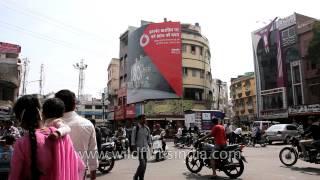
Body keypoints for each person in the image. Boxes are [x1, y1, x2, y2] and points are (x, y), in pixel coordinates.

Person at [9, 95, 84, 180]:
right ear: (40, 113)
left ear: (20, 120)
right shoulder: (63, 136)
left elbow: (15, 175)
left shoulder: (21, 143)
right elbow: (79, 167)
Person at [55, 90, 98, 180]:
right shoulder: (87, 124)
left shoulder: (48, 126)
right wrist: (93, 177)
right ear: (74, 104)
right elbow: (93, 153)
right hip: (79, 175)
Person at [131, 115, 151, 180]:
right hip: (138, 149)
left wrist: (150, 145)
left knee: (144, 165)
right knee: (142, 164)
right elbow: (133, 139)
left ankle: (140, 177)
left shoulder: (147, 128)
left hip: (145, 149)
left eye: (145, 119)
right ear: (139, 120)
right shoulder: (136, 128)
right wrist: (134, 149)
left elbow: (149, 138)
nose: (144, 120)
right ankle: (137, 176)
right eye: (143, 119)